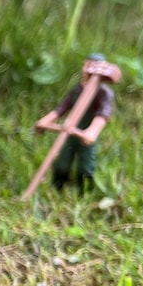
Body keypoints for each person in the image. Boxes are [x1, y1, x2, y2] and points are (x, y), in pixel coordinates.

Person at [34, 53, 116, 192]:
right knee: (62, 162)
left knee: (85, 166)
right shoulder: (77, 89)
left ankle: (84, 193)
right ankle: (57, 188)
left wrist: (92, 132)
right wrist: (46, 121)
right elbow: (62, 108)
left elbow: (102, 115)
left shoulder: (104, 93)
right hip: (70, 131)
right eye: (87, 64)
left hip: (85, 134)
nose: (89, 69)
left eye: (94, 66)